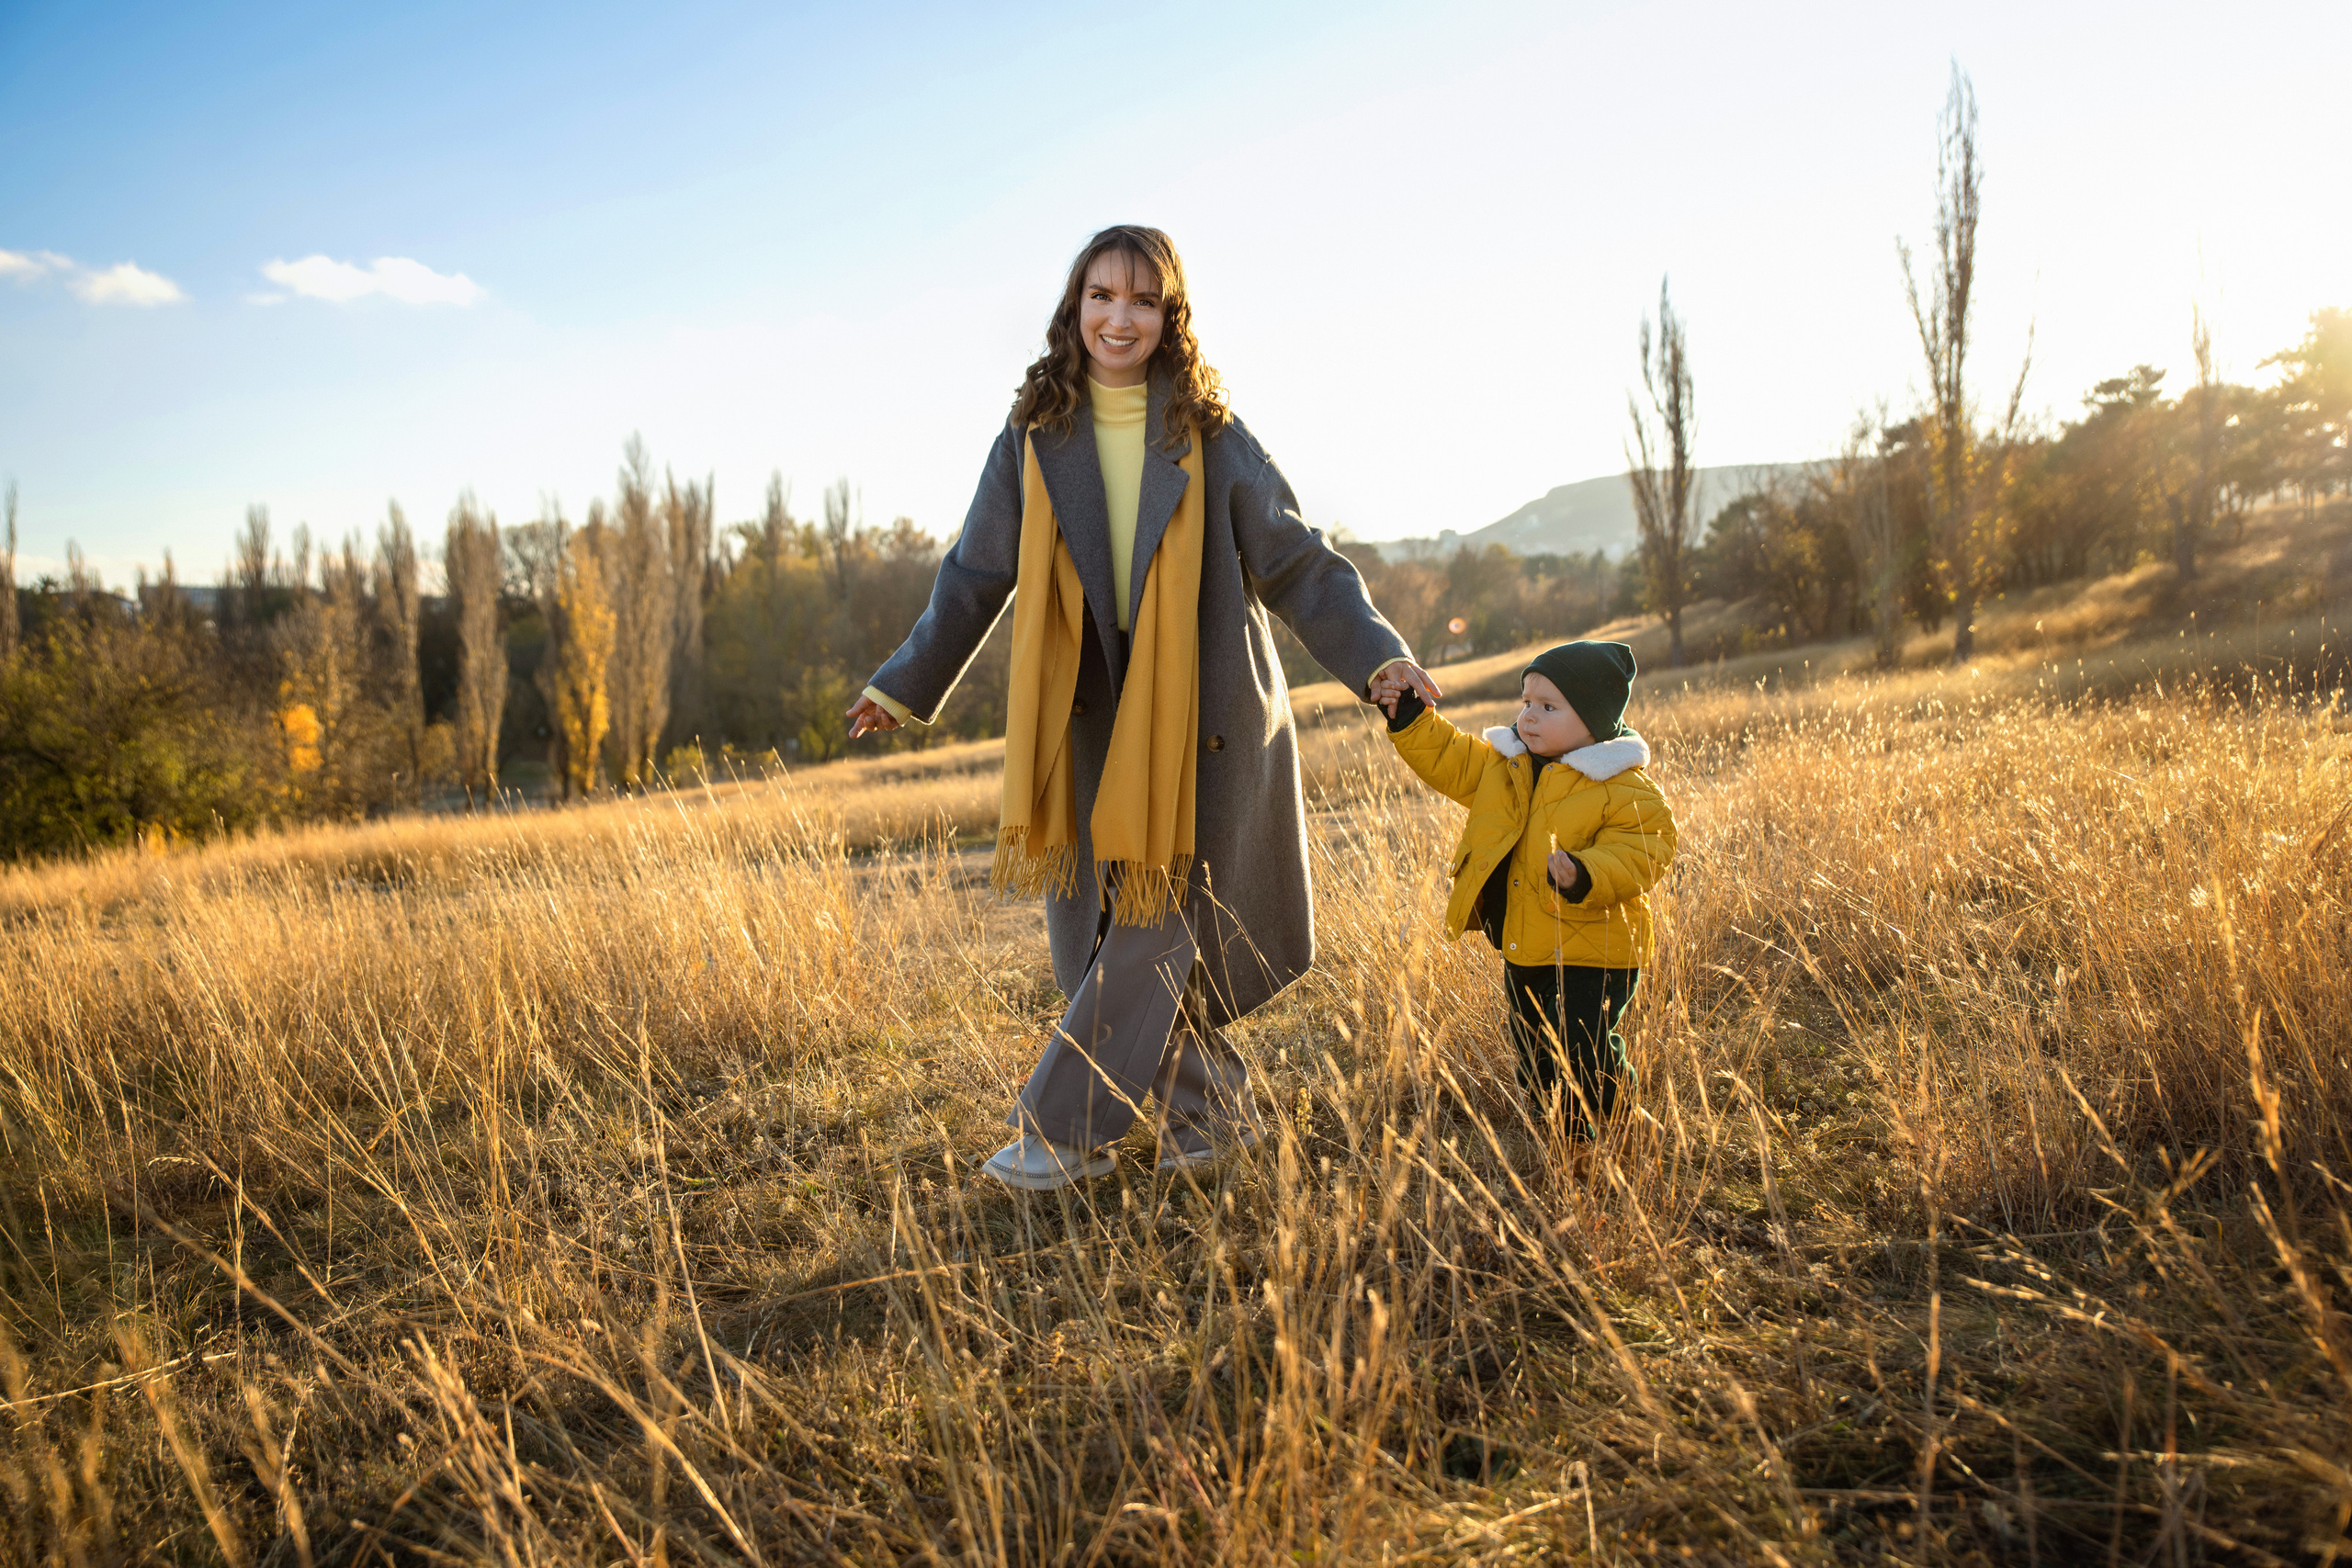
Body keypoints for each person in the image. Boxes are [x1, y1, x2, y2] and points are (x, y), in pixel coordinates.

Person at [845, 224, 1440, 1190]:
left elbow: (1294, 559)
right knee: (1135, 919)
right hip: (1085, 717)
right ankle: (1214, 1120)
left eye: (1143, 300)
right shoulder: (1033, 437)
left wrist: (1378, 657)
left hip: (1199, 717)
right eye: (1102, 296)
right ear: (1073, 308)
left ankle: (1064, 1133)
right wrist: (902, 681)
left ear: (1171, 319)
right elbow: (977, 573)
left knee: (1157, 914)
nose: (1119, 319)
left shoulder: (1208, 433)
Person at [1371, 642, 1677, 1145]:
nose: (1529, 718)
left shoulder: (1621, 784)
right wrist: (1410, 717)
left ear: (1594, 721)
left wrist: (1585, 873)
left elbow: (1644, 850)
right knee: (1535, 1049)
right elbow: (1449, 757)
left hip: (1595, 951)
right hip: (1524, 944)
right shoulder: (1504, 764)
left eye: (1549, 708)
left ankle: (1622, 1121)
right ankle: (1566, 1140)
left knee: (1585, 1048)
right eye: (1526, 703)